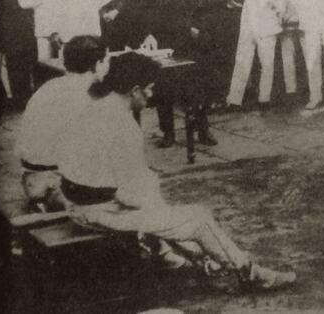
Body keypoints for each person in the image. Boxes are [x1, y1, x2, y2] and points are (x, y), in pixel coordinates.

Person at [55, 52, 295, 292]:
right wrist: (161, 209)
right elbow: (129, 196)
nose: (151, 95)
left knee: (161, 206)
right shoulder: (122, 126)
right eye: (149, 89)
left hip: (72, 203)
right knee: (198, 218)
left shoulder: (93, 107)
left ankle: (193, 257)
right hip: (97, 213)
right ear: (135, 90)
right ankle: (249, 273)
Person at [16, 35, 107, 210]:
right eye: (106, 61)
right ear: (97, 64)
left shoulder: (49, 86)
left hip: (31, 180)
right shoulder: (89, 94)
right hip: (57, 181)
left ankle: (44, 201)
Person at [119, 0, 193, 148]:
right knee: (163, 87)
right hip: (157, 38)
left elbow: (189, 3)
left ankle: (200, 129)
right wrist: (147, 33)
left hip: (182, 36)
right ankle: (168, 132)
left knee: (190, 84)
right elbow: (137, 11)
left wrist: (189, 27)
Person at [226, 0, 286, 112]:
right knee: (242, 60)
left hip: (266, 24)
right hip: (248, 23)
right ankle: (234, 100)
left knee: (267, 63)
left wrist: (278, 10)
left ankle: (264, 99)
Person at [190, 0, 243, 121]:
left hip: (229, 24)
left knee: (227, 60)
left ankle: (223, 98)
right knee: (209, 62)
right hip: (209, 24)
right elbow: (192, 0)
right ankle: (210, 98)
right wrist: (194, 25)